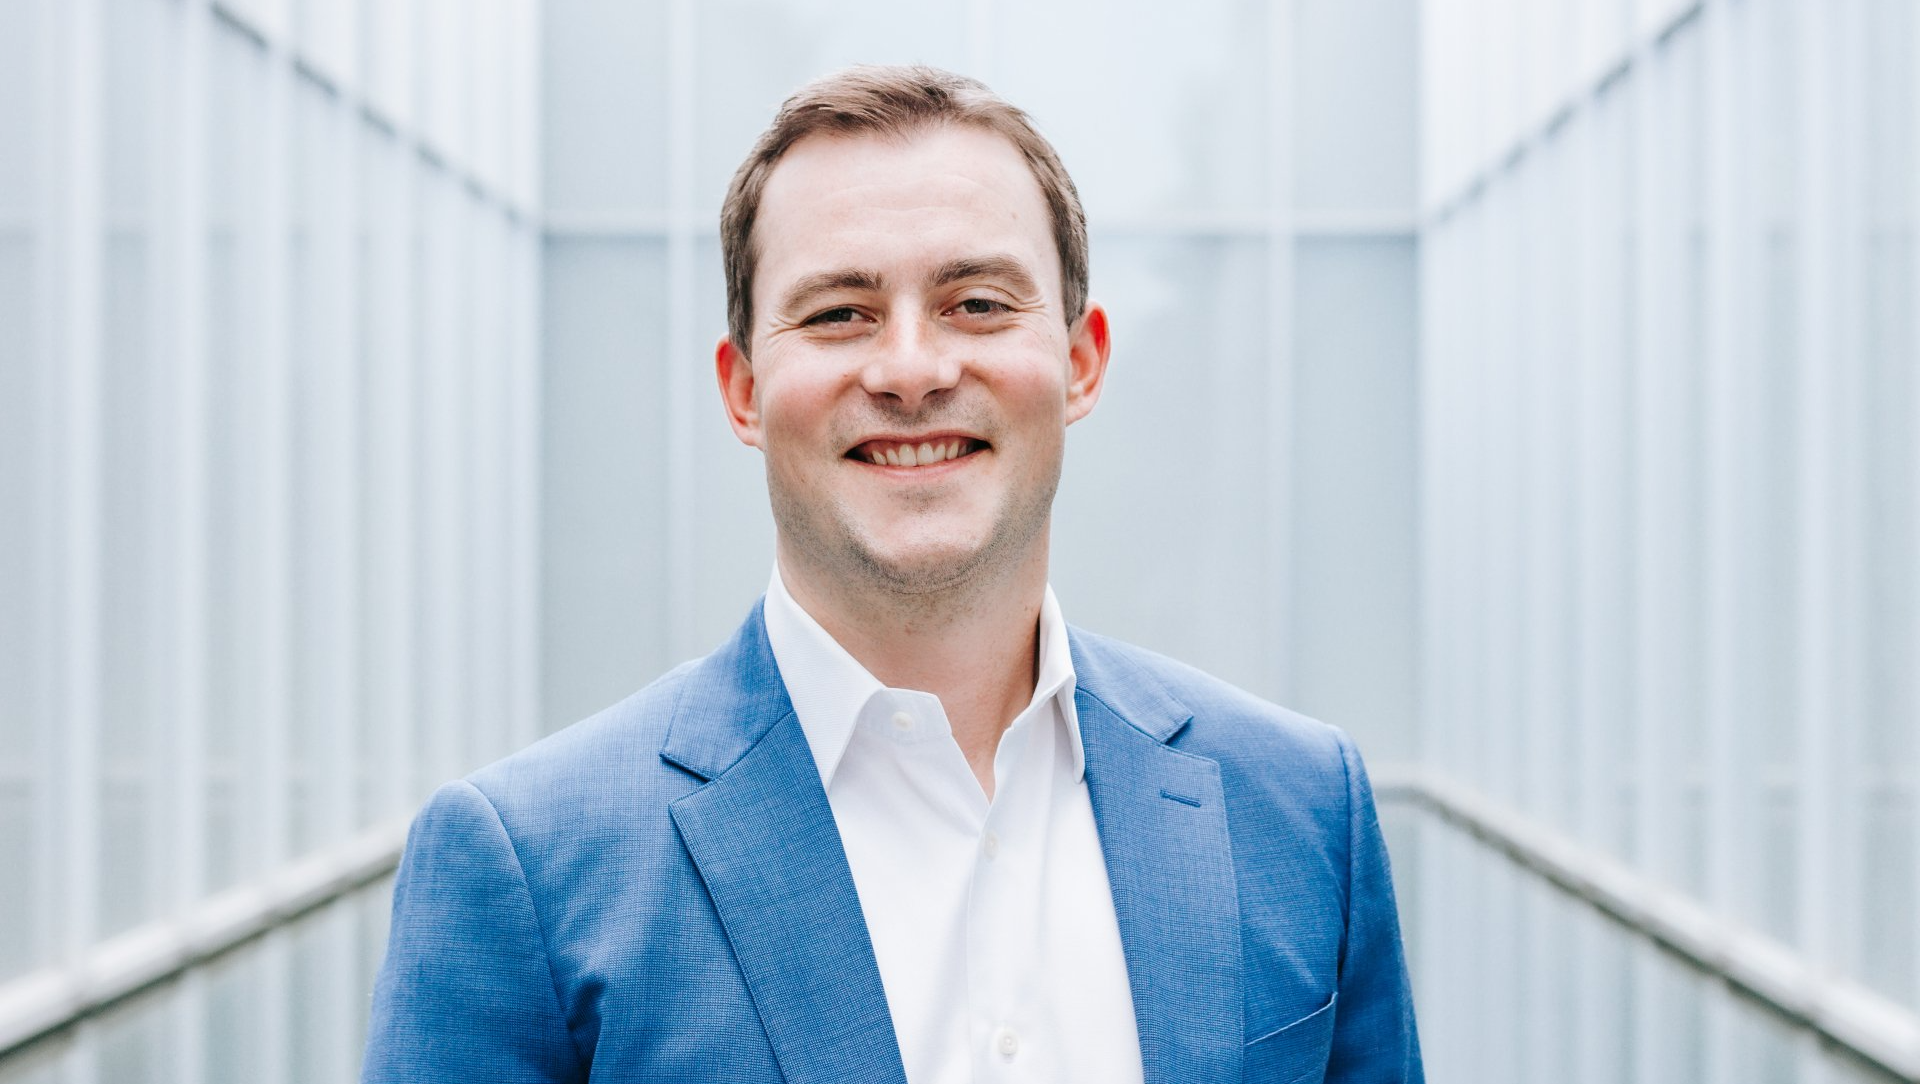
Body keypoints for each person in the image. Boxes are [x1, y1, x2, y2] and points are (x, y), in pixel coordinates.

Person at [362, 65, 1422, 1084]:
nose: (912, 369)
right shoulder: (526, 870)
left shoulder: (1301, 808)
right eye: (839, 313)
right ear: (741, 388)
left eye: (977, 303)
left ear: (1082, 362)